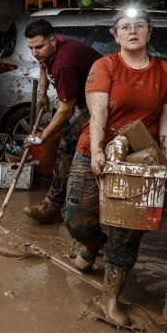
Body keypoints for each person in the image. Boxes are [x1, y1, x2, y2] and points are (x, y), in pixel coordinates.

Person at [63, 8, 167, 327]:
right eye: (125, 27)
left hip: (140, 161)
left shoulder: (166, 72)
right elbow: (98, 113)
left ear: (149, 33)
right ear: (115, 36)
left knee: (127, 233)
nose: (132, 31)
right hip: (94, 151)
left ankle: (110, 298)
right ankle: (91, 245)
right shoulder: (105, 66)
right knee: (77, 219)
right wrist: (98, 152)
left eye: (139, 26)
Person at [21, 20, 102, 223]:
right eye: (31, 48)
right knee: (68, 141)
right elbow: (42, 65)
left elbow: (66, 110)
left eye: (39, 47)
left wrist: (42, 137)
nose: (35, 52)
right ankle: (62, 200)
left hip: (103, 104)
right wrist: (42, 93)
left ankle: (53, 205)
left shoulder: (64, 63)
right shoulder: (48, 51)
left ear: (53, 41)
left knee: (67, 142)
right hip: (88, 101)